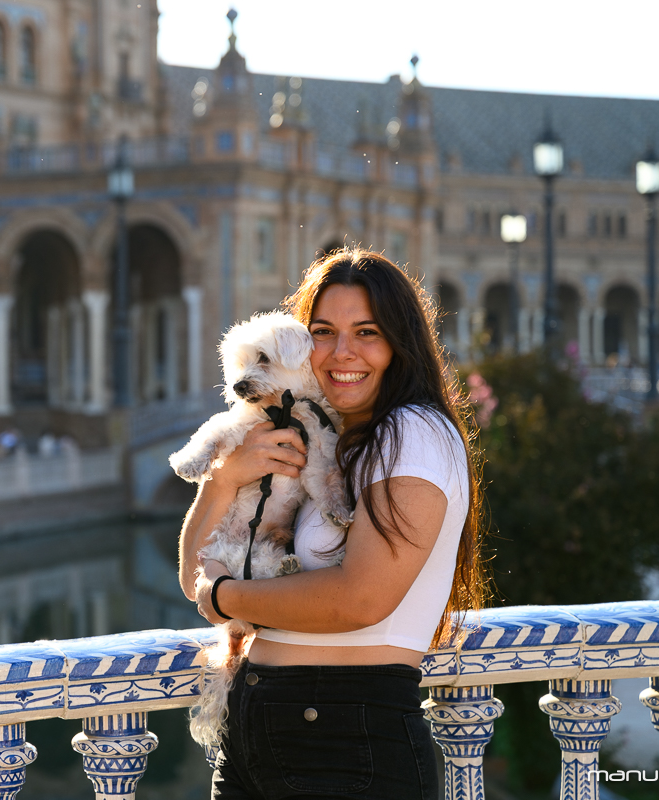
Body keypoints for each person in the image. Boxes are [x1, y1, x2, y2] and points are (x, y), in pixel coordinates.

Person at [179, 248, 487, 799]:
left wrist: (225, 598)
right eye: (323, 332)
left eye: (367, 332)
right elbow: (194, 577)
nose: (343, 352)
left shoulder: (411, 432)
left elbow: (360, 599)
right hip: (259, 731)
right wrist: (223, 481)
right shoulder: (326, 441)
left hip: (343, 737)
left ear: (399, 343)